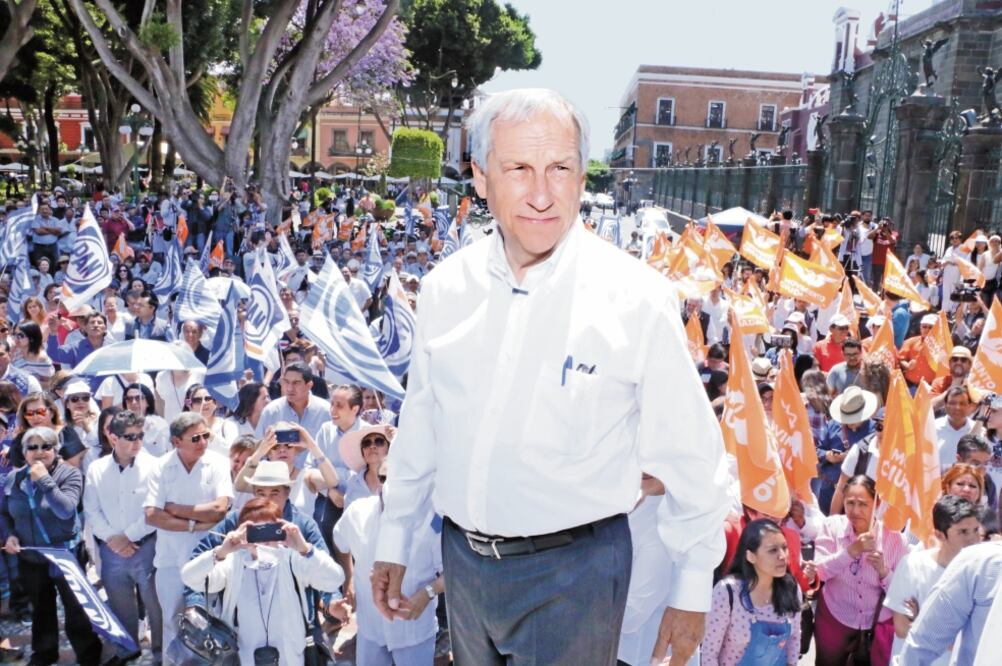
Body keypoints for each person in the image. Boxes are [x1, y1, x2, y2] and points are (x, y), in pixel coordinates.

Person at [371, 89, 729, 665]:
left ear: (582, 178)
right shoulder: (444, 289)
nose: (541, 194)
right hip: (462, 567)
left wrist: (691, 588)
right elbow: (421, 426)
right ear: (481, 177)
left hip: (574, 578)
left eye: (559, 168)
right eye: (519, 169)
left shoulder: (637, 299)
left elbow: (692, 454)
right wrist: (395, 536)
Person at [179, 497, 344, 666]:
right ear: (243, 532)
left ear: (280, 529)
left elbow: (335, 578)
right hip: (243, 659)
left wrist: (305, 549)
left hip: (291, 657)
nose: (264, 539)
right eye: (256, 531)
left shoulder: (293, 559)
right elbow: (189, 577)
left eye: (269, 530)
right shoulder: (233, 563)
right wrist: (221, 551)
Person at [0, 427, 103, 665]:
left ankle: (88, 653)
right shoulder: (14, 478)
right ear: (24, 451)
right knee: (41, 608)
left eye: (46, 446)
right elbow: (6, 513)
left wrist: (44, 480)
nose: (39, 452)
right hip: (31, 557)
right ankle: (44, 653)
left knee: (76, 607)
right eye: (32, 447)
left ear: (56, 450)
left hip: (65, 554)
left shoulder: (70, 474)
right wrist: (11, 536)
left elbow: (66, 510)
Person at [333, 457, 443, 666]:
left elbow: (452, 571)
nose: (389, 484)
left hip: (413, 631)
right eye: (383, 478)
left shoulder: (431, 520)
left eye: (398, 478)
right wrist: (349, 578)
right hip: (370, 630)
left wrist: (428, 593)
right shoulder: (357, 512)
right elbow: (340, 542)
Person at [144, 412, 233, 651]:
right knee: (172, 622)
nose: (203, 442)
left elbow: (219, 509)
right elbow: (152, 515)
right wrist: (194, 524)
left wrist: (175, 510)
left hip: (210, 558)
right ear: (176, 441)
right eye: (195, 438)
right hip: (170, 560)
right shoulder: (160, 467)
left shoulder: (218, 463)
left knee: (211, 623)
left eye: (206, 436)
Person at [82, 410, 162, 663]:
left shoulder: (154, 466)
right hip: (111, 550)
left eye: (140, 436)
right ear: (113, 437)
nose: (137, 442)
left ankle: (160, 653)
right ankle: (128, 649)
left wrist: (127, 537)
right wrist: (112, 540)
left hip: (147, 546)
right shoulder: (96, 468)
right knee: (120, 605)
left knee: (155, 606)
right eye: (130, 436)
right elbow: (91, 510)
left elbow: (154, 509)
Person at [809, 475, 908, 666]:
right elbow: (820, 572)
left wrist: (883, 571)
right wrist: (852, 551)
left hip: (876, 622)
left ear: (876, 504)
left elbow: (902, 593)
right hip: (835, 617)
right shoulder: (831, 527)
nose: (855, 511)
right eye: (850, 503)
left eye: (863, 504)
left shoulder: (895, 538)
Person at [883, 495, 982, 665]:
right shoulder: (912, 565)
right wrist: (956, 639)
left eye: (976, 530)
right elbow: (901, 628)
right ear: (940, 535)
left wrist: (921, 624)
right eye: (963, 532)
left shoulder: (983, 573)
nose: (973, 539)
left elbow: (980, 635)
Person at [701, 519, 802, 666]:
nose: (782, 556)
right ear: (750, 556)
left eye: (784, 548)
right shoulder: (727, 592)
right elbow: (709, 653)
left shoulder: (792, 589)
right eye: (773, 550)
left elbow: (794, 638)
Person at [899, 527, 1002, 664]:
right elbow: (923, 641)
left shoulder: (980, 562)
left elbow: (923, 642)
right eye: (963, 531)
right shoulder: (981, 563)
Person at [234, 423, 339, 515]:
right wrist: (259, 453)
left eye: (288, 445)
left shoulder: (306, 476)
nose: (282, 450)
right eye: (275, 447)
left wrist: (312, 446)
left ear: (296, 450)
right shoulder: (262, 478)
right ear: (268, 453)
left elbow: (333, 481)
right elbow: (239, 486)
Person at [183, 383, 236, 457]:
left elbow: (234, 454)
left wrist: (210, 434)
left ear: (216, 402)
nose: (204, 403)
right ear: (189, 405)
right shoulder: (184, 430)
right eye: (197, 400)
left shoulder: (228, 426)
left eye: (208, 398)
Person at [121, 382, 170, 457]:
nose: (133, 402)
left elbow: (165, 452)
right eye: (129, 399)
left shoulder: (159, 424)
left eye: (138, 398)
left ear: (148, 402)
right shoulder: (121, 424)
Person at [936, 386, 975, 471]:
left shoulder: (979, 431)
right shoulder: (932, 428)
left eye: (962, 403)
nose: (957, 407)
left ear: (969, 406)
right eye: (952, 403)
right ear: (945, 405)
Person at [10, 321, 54, 387]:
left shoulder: (42, 359)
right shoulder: (14, 351)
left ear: (32, 337)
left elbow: (50, 384)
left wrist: (28, 382)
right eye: (14, 334)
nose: (16, 338)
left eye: (20, 335)